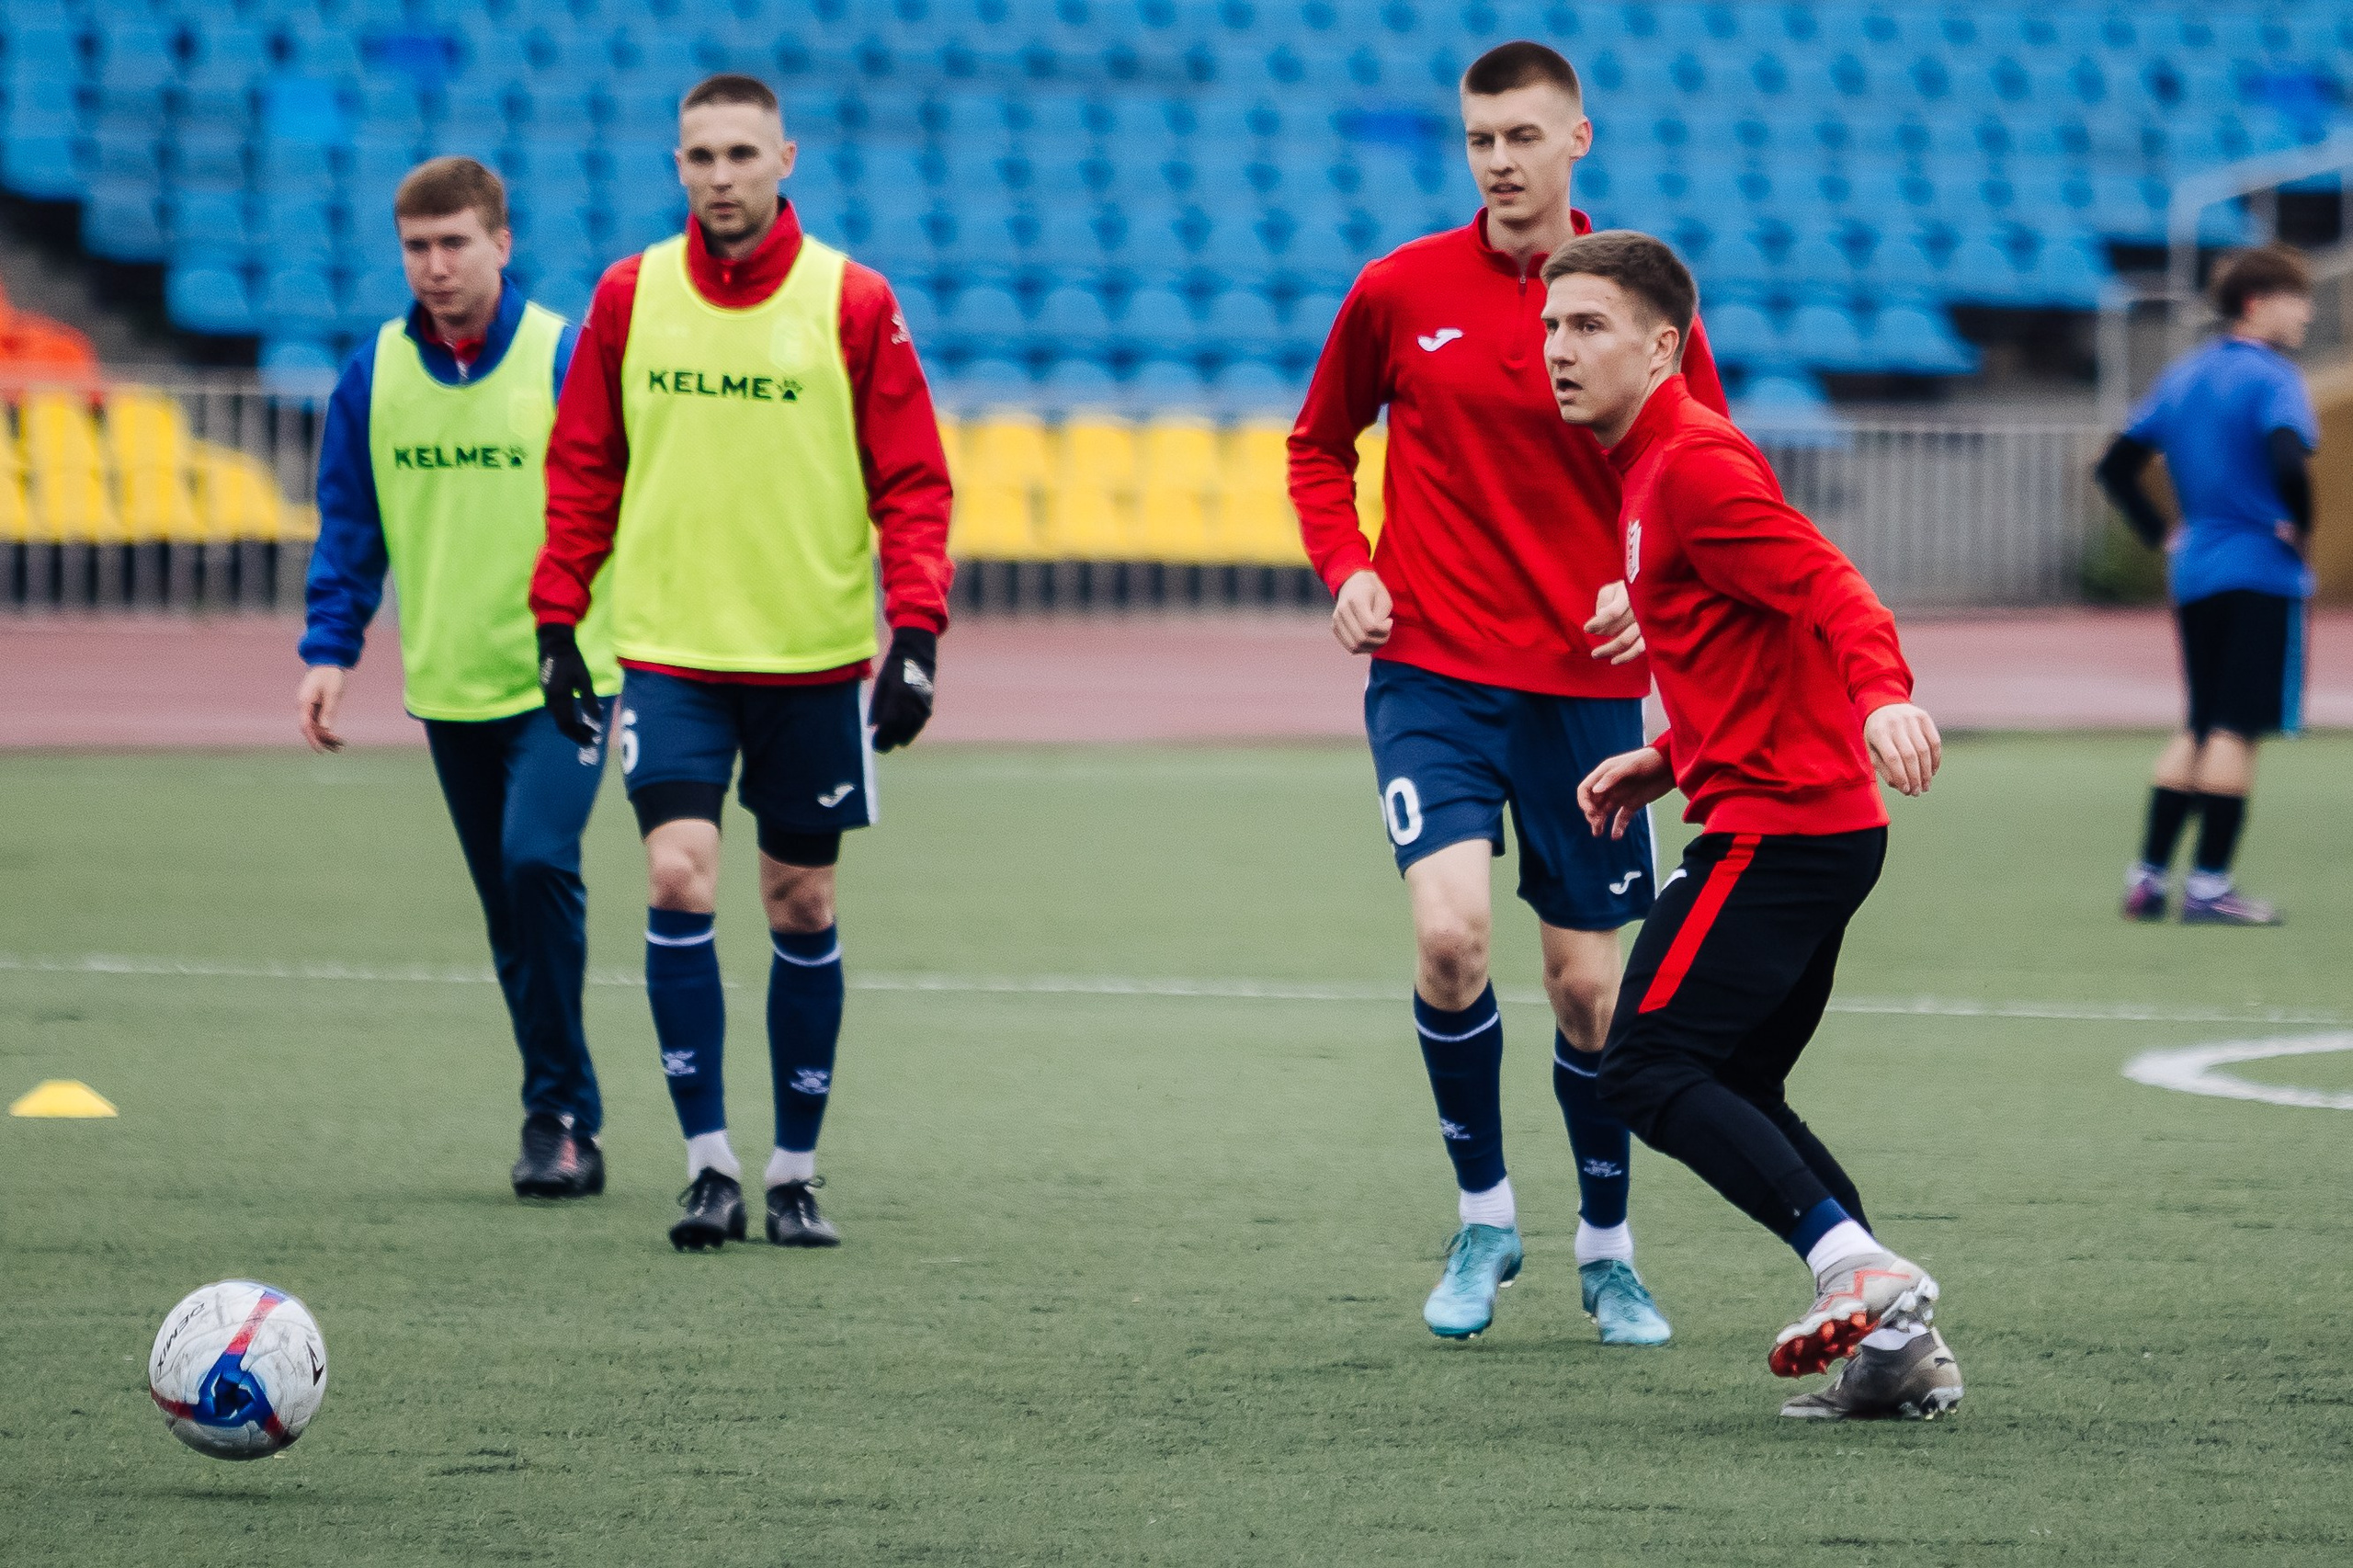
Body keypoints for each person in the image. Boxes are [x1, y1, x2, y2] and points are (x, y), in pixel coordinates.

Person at [1288, 40, 1725, 1345]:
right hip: (1430, 669)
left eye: (1522, 137)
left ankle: (1607, 1247)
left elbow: (1702, 467)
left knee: (1592, 993)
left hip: (1588, 687)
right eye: (1479, 138)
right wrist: (1348, 564)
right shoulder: (1399, 289)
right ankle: (1484, 1214)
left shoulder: (1636, 302)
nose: (1497, 161)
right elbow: (1318, 447)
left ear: (1575, 140)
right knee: (1450, 939)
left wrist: (1650, 595)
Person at [1544, 230, 1963, 1421]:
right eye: (1549, 330)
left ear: (1663, 344)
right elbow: (1750, 643)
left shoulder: (1691, 464)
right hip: (1798, 819)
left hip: (1778, 832)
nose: (1558, 351)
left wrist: (1884, 691)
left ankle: (1856, 1267)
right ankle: (1897, 1347)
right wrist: (1668, 756)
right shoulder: (1651, 468)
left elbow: (1831, 588)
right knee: (1736, 1079)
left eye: (1588, 328)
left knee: (1645, 1063)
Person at [531, 74, 952, 1253]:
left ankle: (794, 1171)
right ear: (677, 166)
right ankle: (708, 1164)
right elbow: (583, 466)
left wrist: (913, 633)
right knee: (677, 876)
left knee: (800, 898)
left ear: (785, 160)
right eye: (699, 155)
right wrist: (557, 615)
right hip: (668, 653)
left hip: (812, 661)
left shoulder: (852, 300)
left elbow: (913, 480)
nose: (720, 175)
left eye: (741, 154)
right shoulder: (630, 294)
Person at [297, 156, 619, 1201]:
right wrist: (328, 650)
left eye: (455, 243)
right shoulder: (373, 375)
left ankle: (562, 1111)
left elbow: (623, 506)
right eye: (416, 247)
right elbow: (352, 529)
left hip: (565, 679)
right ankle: (555, 1101)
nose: (435, 266)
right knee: (507, 912)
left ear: (501, 243)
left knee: (536, 862)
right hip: (447, 686)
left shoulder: (565, 356)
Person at [2096, 244, 2318, 927]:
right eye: (2295, 298)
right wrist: (2300, 523)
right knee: (2236, 726)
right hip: (2258, 567)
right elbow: (2288, 456)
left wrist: (2161, 531)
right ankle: (2210, 887)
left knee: (2198, 721)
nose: (2306, 312)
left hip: (2196, 569)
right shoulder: (2272, 377)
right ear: (2256, 303)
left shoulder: (2184, 375)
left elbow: (2115, 466)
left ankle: (2148, 878)